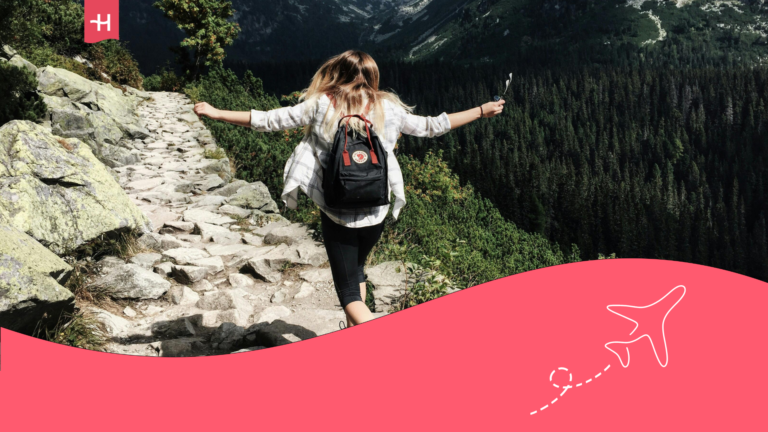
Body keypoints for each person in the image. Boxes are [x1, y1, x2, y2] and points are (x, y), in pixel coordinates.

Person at [193, 50, 505, 328]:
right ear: (372, 78)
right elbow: (433, 126)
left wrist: (217, 113)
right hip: (376, 209)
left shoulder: (320, 106)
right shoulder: (389, 109)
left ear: (337, 75)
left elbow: (267, 120)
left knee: (347, 290)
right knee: (357, 271)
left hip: (337, 211)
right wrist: (481, 110)